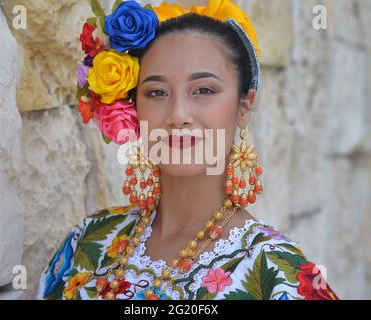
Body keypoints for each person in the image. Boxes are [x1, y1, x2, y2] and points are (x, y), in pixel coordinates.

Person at [36, 0, 339, 300]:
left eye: (204, 90)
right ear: (134, 107)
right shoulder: (89, 240)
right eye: (157, 92)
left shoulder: (279, 275)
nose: (178, 114)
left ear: (244, 106)